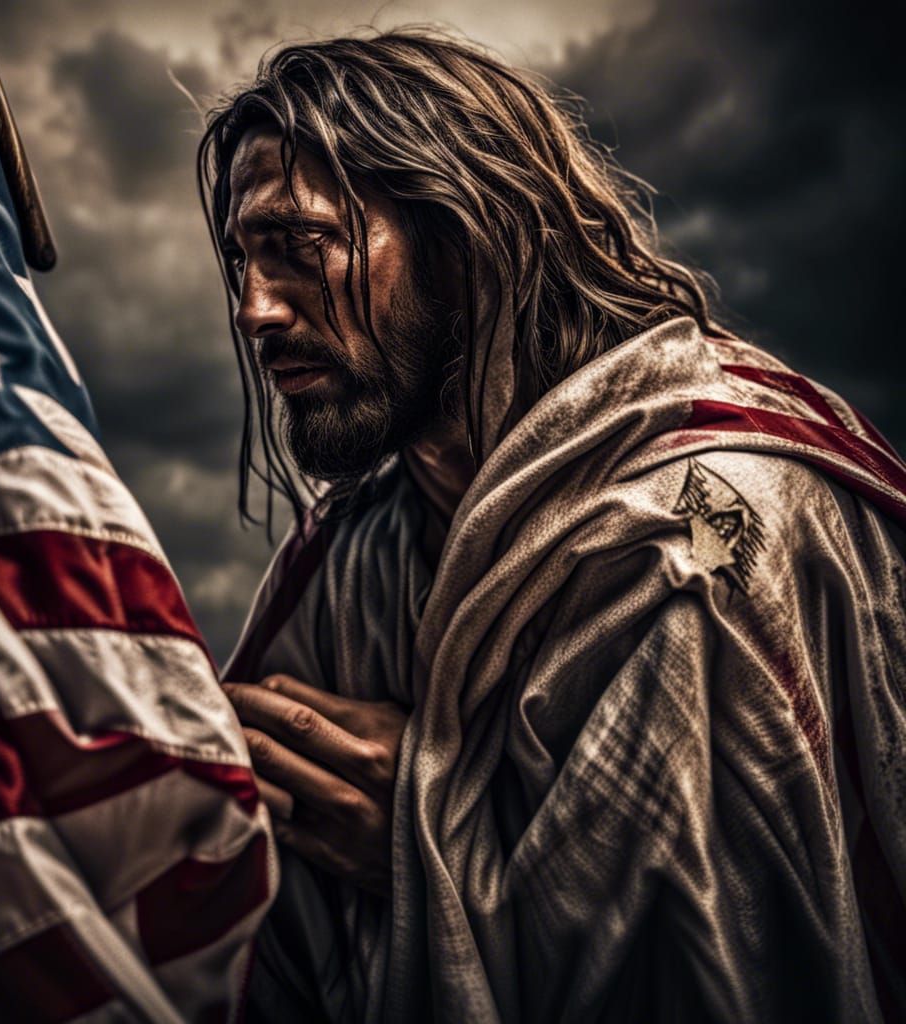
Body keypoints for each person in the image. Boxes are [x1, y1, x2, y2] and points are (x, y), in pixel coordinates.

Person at [202, 31, 906, 1023]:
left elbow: (716, 976)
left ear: (467, 239)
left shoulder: (694, 537)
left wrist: (418, 829)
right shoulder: (354, 560)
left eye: (301, 246)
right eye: (244, 259)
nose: (253, 310)